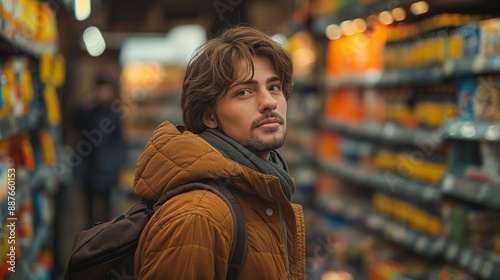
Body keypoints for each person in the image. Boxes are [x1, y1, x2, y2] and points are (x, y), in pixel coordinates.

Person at [133, 25, 306, 279]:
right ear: (209, 116)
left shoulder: (263, 192)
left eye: (274, 87)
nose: (269, 102)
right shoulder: (198, 218)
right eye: (244, 92)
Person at [72, 69, 127, 226]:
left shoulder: (115, 111)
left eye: (107, 88)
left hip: (107, 170)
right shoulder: (88, 108)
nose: (104, 92)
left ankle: (102, 241)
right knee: (88, 213)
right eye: (101, 88)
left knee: (106, 214)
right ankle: (89, 241)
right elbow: (74, 123)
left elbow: (120, 140)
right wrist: (82, 107)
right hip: (88, 168)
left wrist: (116, 163)